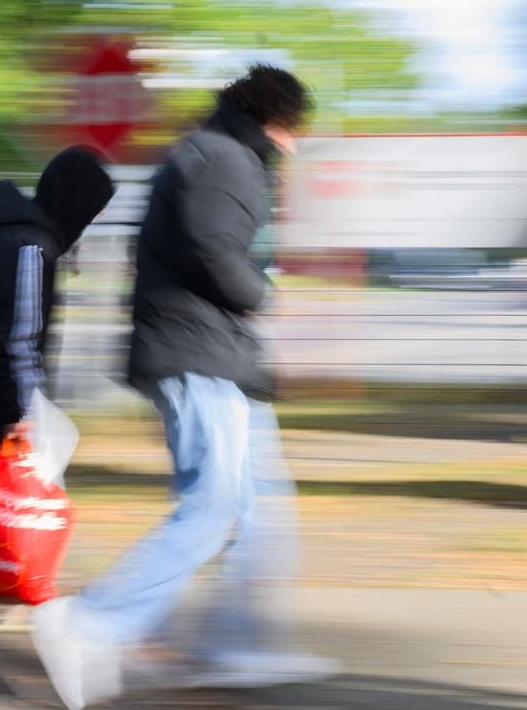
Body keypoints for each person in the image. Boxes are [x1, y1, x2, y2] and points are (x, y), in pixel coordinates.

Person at [32, 65, 337, 709]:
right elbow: (214, 251)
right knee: (213, 506)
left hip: (218, 356)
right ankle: (89, 623)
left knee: (260, 509)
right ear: (271, 119)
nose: (296, 146)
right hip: (196, 355)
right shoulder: (226, 157)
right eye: (293, 130)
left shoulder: (212, 151)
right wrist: (266, 298)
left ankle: (234, 646)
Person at [0, 146, 116, 452]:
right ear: (76, 200)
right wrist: (22, 412)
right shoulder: (30, 247)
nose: (97, 216)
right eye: (95, 207)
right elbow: (18, 339)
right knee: (23, 497)